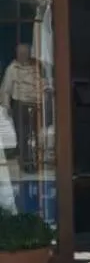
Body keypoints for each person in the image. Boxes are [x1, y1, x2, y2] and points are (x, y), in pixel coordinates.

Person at [0, 44, 44, 173]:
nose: (23, 55)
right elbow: (6, 89)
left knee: (35, 135)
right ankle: (26, 163)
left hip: (36, 104)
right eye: (21, 53)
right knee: (22, 135)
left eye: (26, 53)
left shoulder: (36, 66)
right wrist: (7, 105)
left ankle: (35, 161)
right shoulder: (12, 68)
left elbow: (43, 82)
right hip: (20, 105)